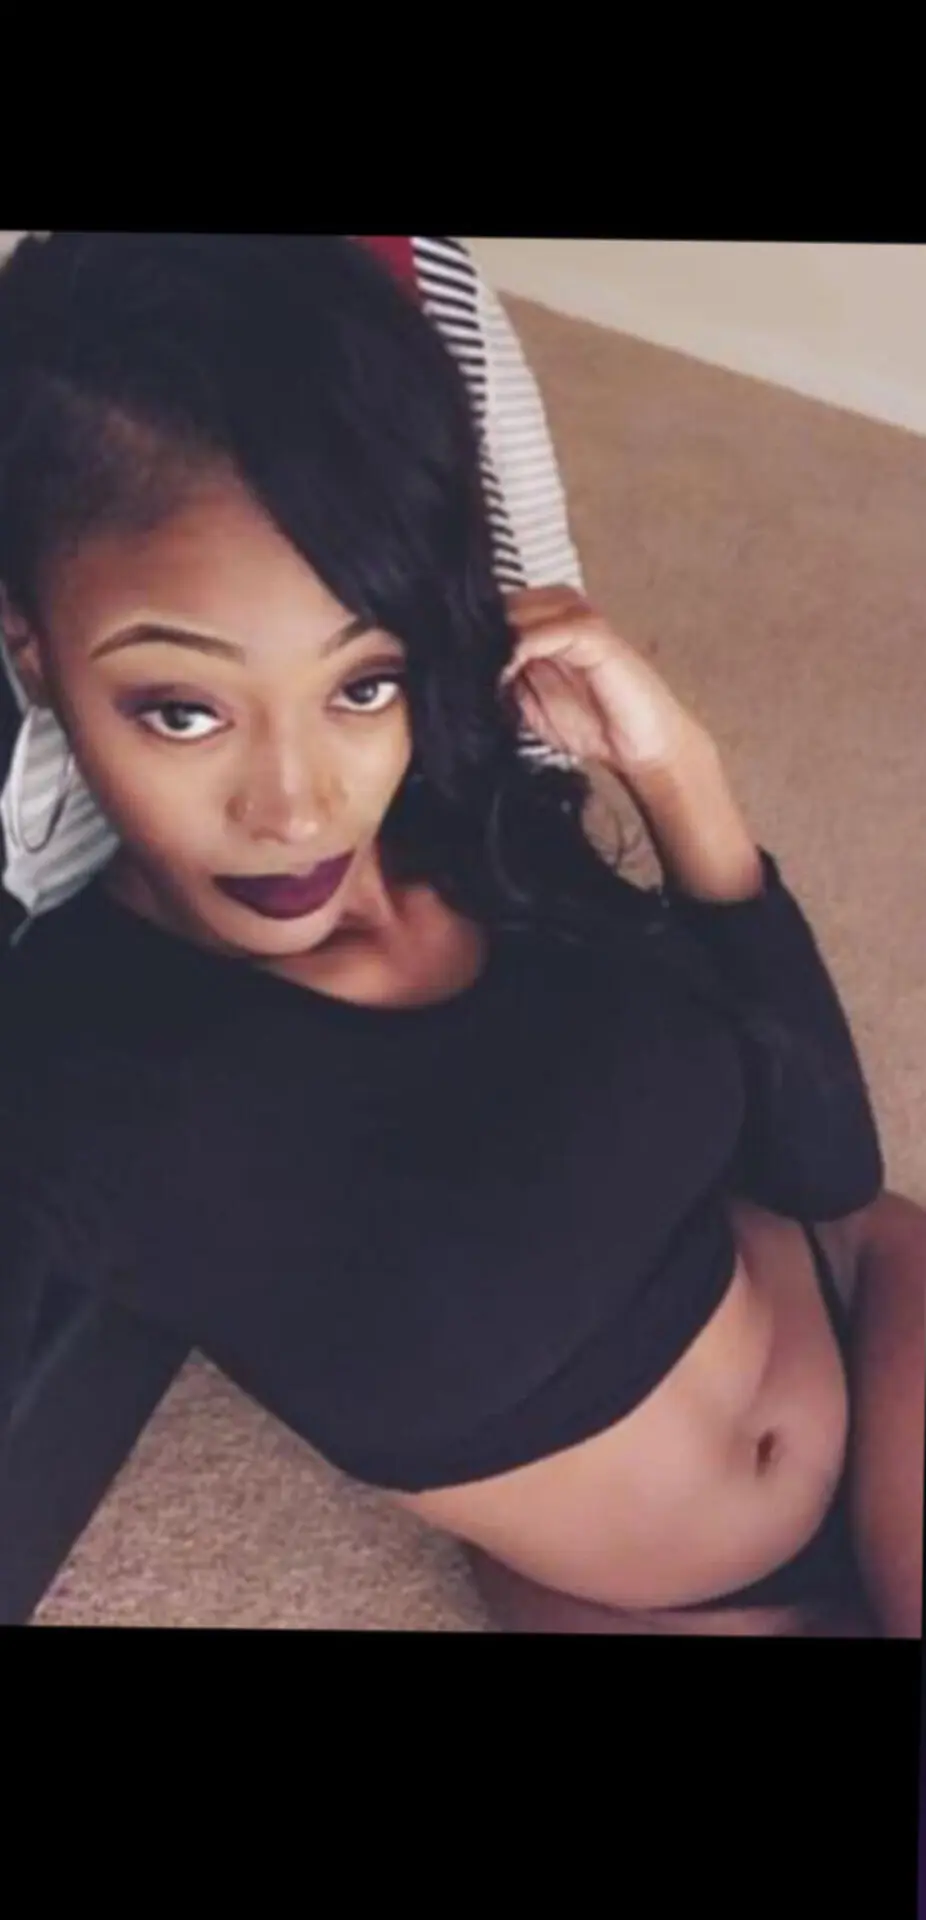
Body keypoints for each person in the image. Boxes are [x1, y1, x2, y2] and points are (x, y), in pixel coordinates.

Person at [0, 232, 921, 1638]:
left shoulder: (469, 817)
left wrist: (678, 775)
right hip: (671, 1606)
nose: (298, 807)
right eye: (182, 710)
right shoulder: (71, 1075)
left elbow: (828, 1172)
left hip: (876, 1301)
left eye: (361, 683)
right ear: (32, 649)